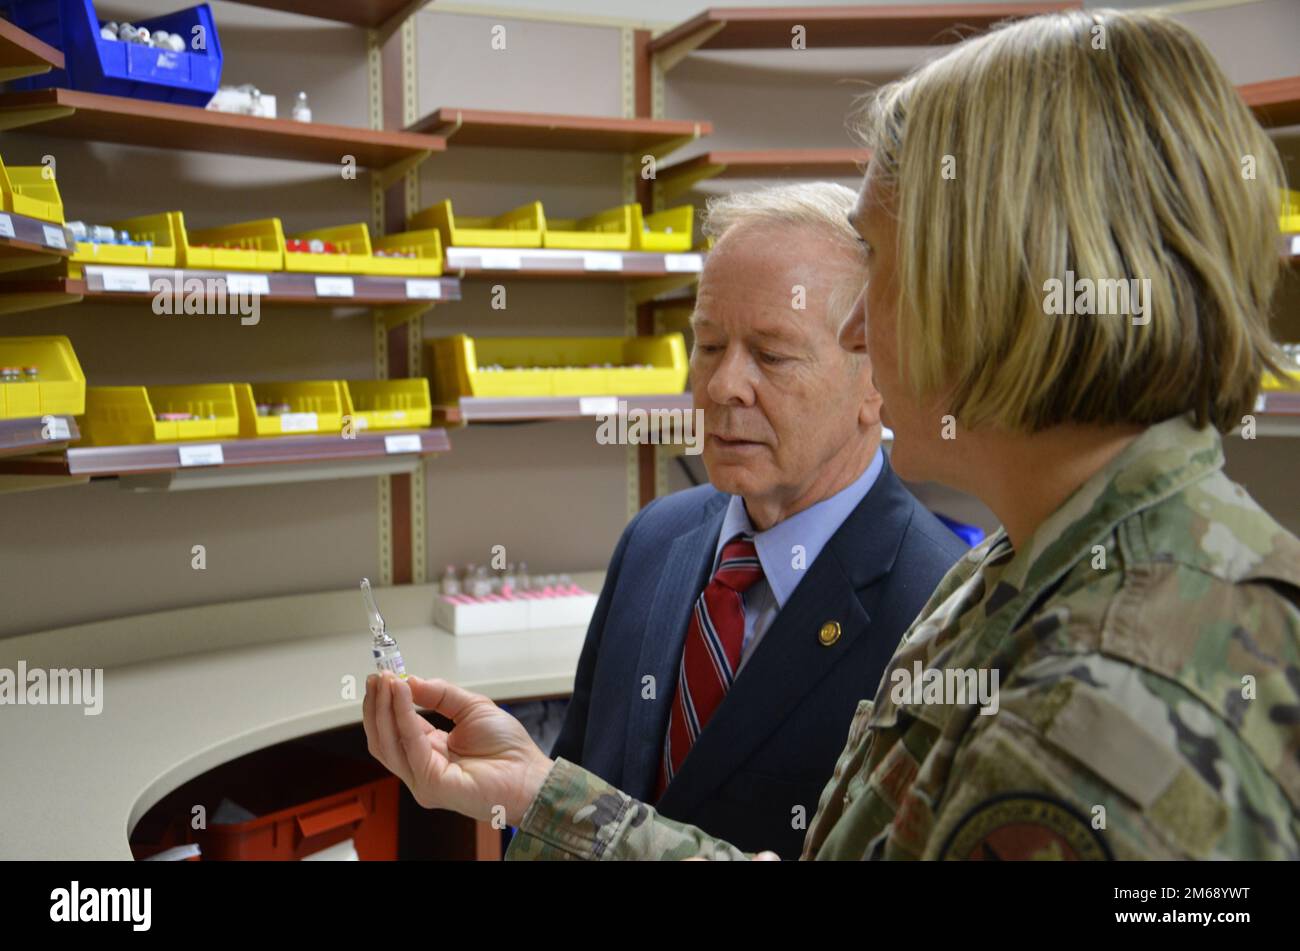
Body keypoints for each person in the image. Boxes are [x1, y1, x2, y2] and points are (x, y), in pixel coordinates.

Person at [364, 8, 1300, 860]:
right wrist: (541, 795)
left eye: (885, 264)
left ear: (1003, 284)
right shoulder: (1023, 571)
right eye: (711, 344)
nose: (864, 329)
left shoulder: (1103, 715)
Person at [546, 183, 967, 859]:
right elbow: (579, 791)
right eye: (709, 345)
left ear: (877, 379)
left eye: (771, 355)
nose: (722, 385)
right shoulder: (654, 540)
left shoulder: (939, 613)